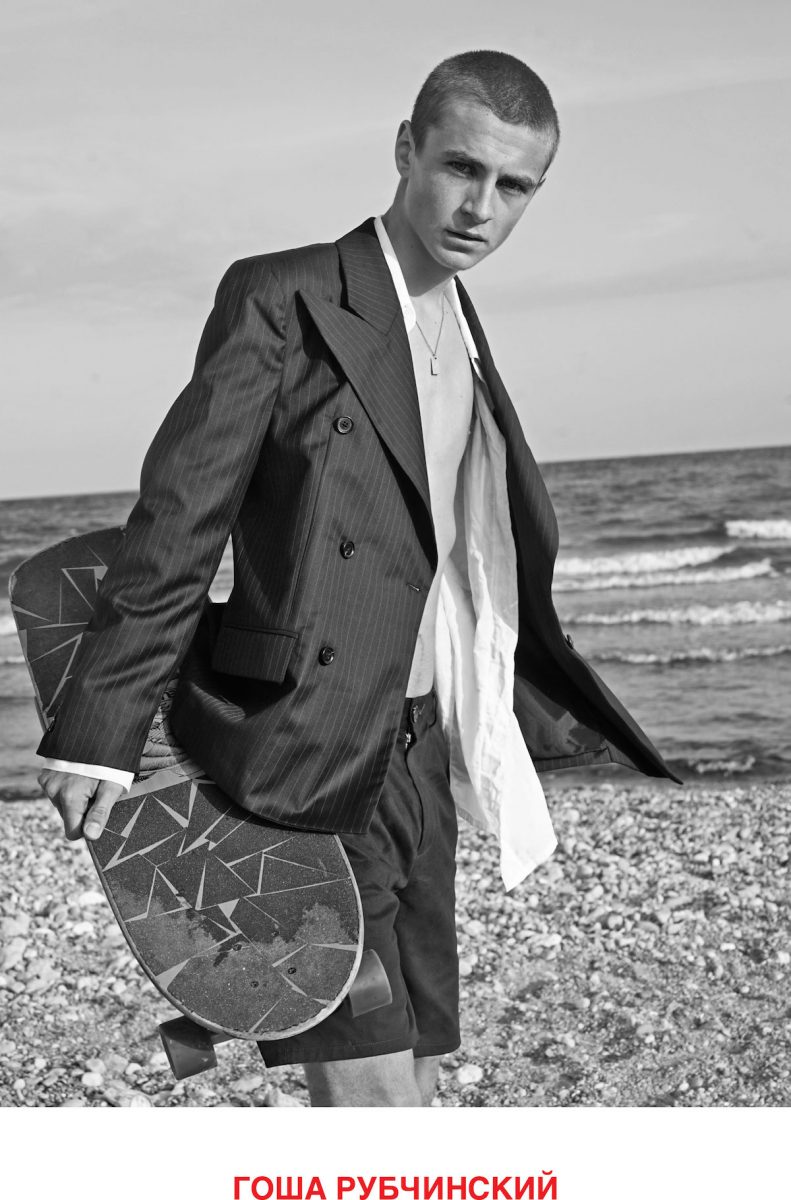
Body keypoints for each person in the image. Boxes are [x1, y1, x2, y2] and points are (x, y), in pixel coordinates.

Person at [36, 50, 676, 1107]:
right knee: (372, 1096)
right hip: (306, 755)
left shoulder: (463, 327)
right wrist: (99, 731)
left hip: (419, 753)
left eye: (513, 186)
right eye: (460, 167)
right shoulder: (283, 296)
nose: (480, 208)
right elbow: (181, 516)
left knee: (414, 1065)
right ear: (404, 149)